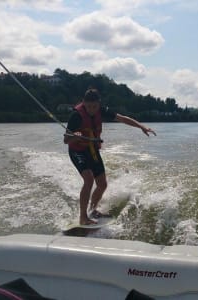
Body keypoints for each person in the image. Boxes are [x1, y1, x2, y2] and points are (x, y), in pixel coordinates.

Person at [64, 88, 157, 225]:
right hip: (77, 151)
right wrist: (74, 136)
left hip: (92, 150)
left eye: (94, 106)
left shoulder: (102, 111)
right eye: (88, 106)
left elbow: (122, 119)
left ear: (99, 104)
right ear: (83, 103)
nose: (91, 109)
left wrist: (141, 126)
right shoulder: (76, 116)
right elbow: (66, 140)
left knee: (102, 184)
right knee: (89, 180)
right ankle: (83, 217)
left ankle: (93, 210)